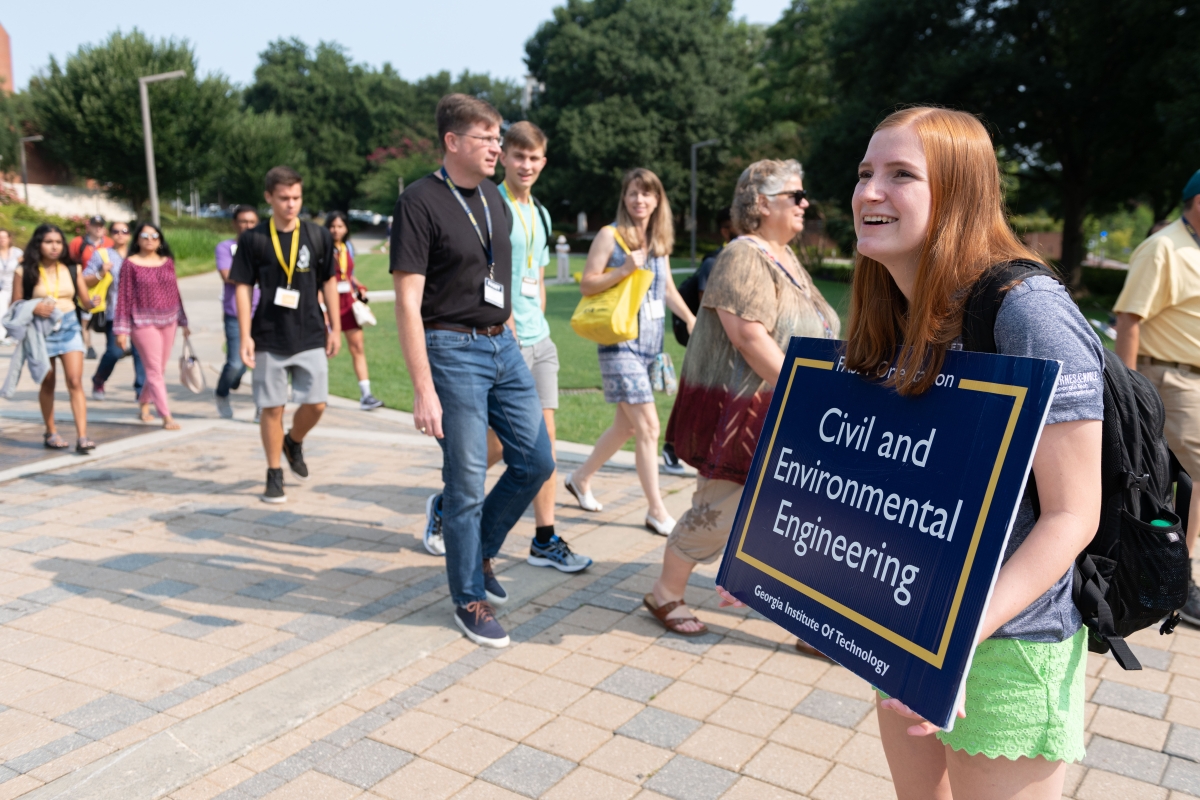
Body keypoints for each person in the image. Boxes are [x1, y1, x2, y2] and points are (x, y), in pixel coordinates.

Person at [716, 106, 1104, 798]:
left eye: (901, 175)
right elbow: (873, 473)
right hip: (907, 628)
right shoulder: (891, 306)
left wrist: (951, 651)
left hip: (1005, 645)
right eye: (866, 173)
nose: (869, 192)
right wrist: (769, 557)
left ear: (956, 192)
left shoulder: (1026, 311)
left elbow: (1074, 515)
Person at [646, 160, 839, 637]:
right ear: (761, 203)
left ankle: (804, 619)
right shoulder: (743, 255)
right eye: (795, 195)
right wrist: (807, 393)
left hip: (788, 413)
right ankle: (664, 594)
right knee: (718, 510)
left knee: (796, 516)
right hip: (745, 417)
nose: (804, 203)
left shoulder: (787, 258)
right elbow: (748, 338)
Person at [392, 94, 555, 648]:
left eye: (498, 136)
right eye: (487, 138)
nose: (498, 146)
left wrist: (507, 327)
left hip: (501, 344)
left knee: (536, 459)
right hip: (451, 349)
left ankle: (481, 550)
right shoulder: (419, 202)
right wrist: (423, 389)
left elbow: (498, 275)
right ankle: (468, 597)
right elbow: (408, 303)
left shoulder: (493, 197)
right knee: (464, 483)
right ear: (453, 142)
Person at [482, 120, 591, 573]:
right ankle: (450, 504)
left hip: (539, 338)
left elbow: (538, 275)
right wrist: (504, 324)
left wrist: (538, 322)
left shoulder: (541, 214)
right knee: (505, 447)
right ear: (503, 156)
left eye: (534, 158)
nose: (526, 164)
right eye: (518, 156)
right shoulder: (491, 204)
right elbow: (485, 271)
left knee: (543, 443)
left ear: (543, 162)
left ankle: (544, 538)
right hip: (505, 341)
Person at [564, 168, 696, 534]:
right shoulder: (610, 236)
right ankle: (656, 510)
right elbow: (588, 285)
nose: (639, 200)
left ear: (657, 199)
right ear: (624, 197)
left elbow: (666, 287)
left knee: (625, 427)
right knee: (649, 427)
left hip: (649, 347)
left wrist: (690, 319)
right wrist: (623, 269)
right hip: (618, 343)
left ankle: (579, 478)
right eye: (633, 193)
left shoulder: (657, 239)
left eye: (647, 193)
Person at [1114, 168, 1200, 626]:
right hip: (1168, 377)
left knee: (1175, 479)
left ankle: (1165, 566)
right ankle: (1175, 577)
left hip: (1192, 380)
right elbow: (1129, 319)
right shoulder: (1164, 247)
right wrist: (1125, 398)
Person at [231, 166, 340, 504]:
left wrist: (334, 326)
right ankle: (274, 472)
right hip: (269, 334)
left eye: (296, 198)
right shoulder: (254, 239)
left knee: (317, 403)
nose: (291, 204)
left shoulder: (318, 235)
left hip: (310, 331)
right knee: (272, 407)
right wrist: (245, 335)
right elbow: (243, 287)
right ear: (269, 198)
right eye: (283, 198)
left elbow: (329, 282)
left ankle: (294, 440)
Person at [663, 206, 736, 474]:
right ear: (725, 230)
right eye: (735, 225)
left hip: (728, 344)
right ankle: (671, 447)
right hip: (706, 341)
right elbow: (709, 304)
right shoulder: (712, 262)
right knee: (694, 395)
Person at [12, 223, 96, 451]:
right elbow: (16, 304)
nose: (54, 247)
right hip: (40, 330)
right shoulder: (24, 270)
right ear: (38, 244)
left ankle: (82, 436)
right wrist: (34, 308)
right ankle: (51, 432)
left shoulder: (71, 269)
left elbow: (85, 300)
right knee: (48, 382)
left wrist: (93, 299)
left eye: (58, 242)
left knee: (75, 380)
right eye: (49, 242)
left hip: (69, 326)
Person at [112, 222, 188, 429]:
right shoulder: (130, 264)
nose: (150, 240)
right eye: (145, 236)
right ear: (137, 239)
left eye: (155, 236)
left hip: (169, 320)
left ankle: (144, 403)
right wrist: (121, 330)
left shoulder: (167, 262)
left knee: (158, 370)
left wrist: (183, 321)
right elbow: (124, 297)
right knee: (154, 370)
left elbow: (175, 292)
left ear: (160, 239)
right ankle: (166, 415)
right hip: (142, 322)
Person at [325, 211, 384, 411]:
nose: (336, 230)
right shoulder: (322, 248)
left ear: (346, 228)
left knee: (357, 347)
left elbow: (348, 275)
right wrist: (323, 308)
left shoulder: (347, 247)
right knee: (324, 350)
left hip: (348, 303)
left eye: (340, 226)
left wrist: (359, 287)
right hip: (327, 303)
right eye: (332, 226)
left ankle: (366, 395)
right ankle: (315, 394)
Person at [86, 221, 145, 401]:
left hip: (140, 313)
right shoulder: (102, 255)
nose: (120, 234)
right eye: (116, 231)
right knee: (115, 351)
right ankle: (99, 378)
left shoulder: (139, 255)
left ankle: (141, 391)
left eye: (125, 231)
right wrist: (100, 273)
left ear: (130, 234)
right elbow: (84, 280)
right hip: (115, 312)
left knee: (140, 352)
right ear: (110, 234)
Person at [214, 205, 261, 419]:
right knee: (235, 362)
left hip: (263, 313)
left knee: (262, 363)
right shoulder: (226, 247)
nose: (247, 226)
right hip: (236, 313)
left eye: (251, 222)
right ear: (235, 223)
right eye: (243, 221)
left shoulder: (265, 246)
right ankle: (222, 393)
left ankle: (263, 408)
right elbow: (228, 275)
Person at [69, 215, 112, 360]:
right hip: (85, 285)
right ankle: (89, 346)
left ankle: (111, 346)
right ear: (89, 227)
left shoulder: (109, 243)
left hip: (106, 286)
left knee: (106, 318)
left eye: (101, 225)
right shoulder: (78, 243)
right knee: (85, 318)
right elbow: (71, 261)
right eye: (95, 225)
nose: (98, 228)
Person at [0, 229, 21, 344]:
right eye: (0, 237)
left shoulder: (17, 253)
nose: (2, 240)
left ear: (9, 239)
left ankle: (16, 335)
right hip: (2, 289)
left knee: (16, 310)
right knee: (2, 310)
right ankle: (3, 336)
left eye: (4, 237)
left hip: (15, 285)